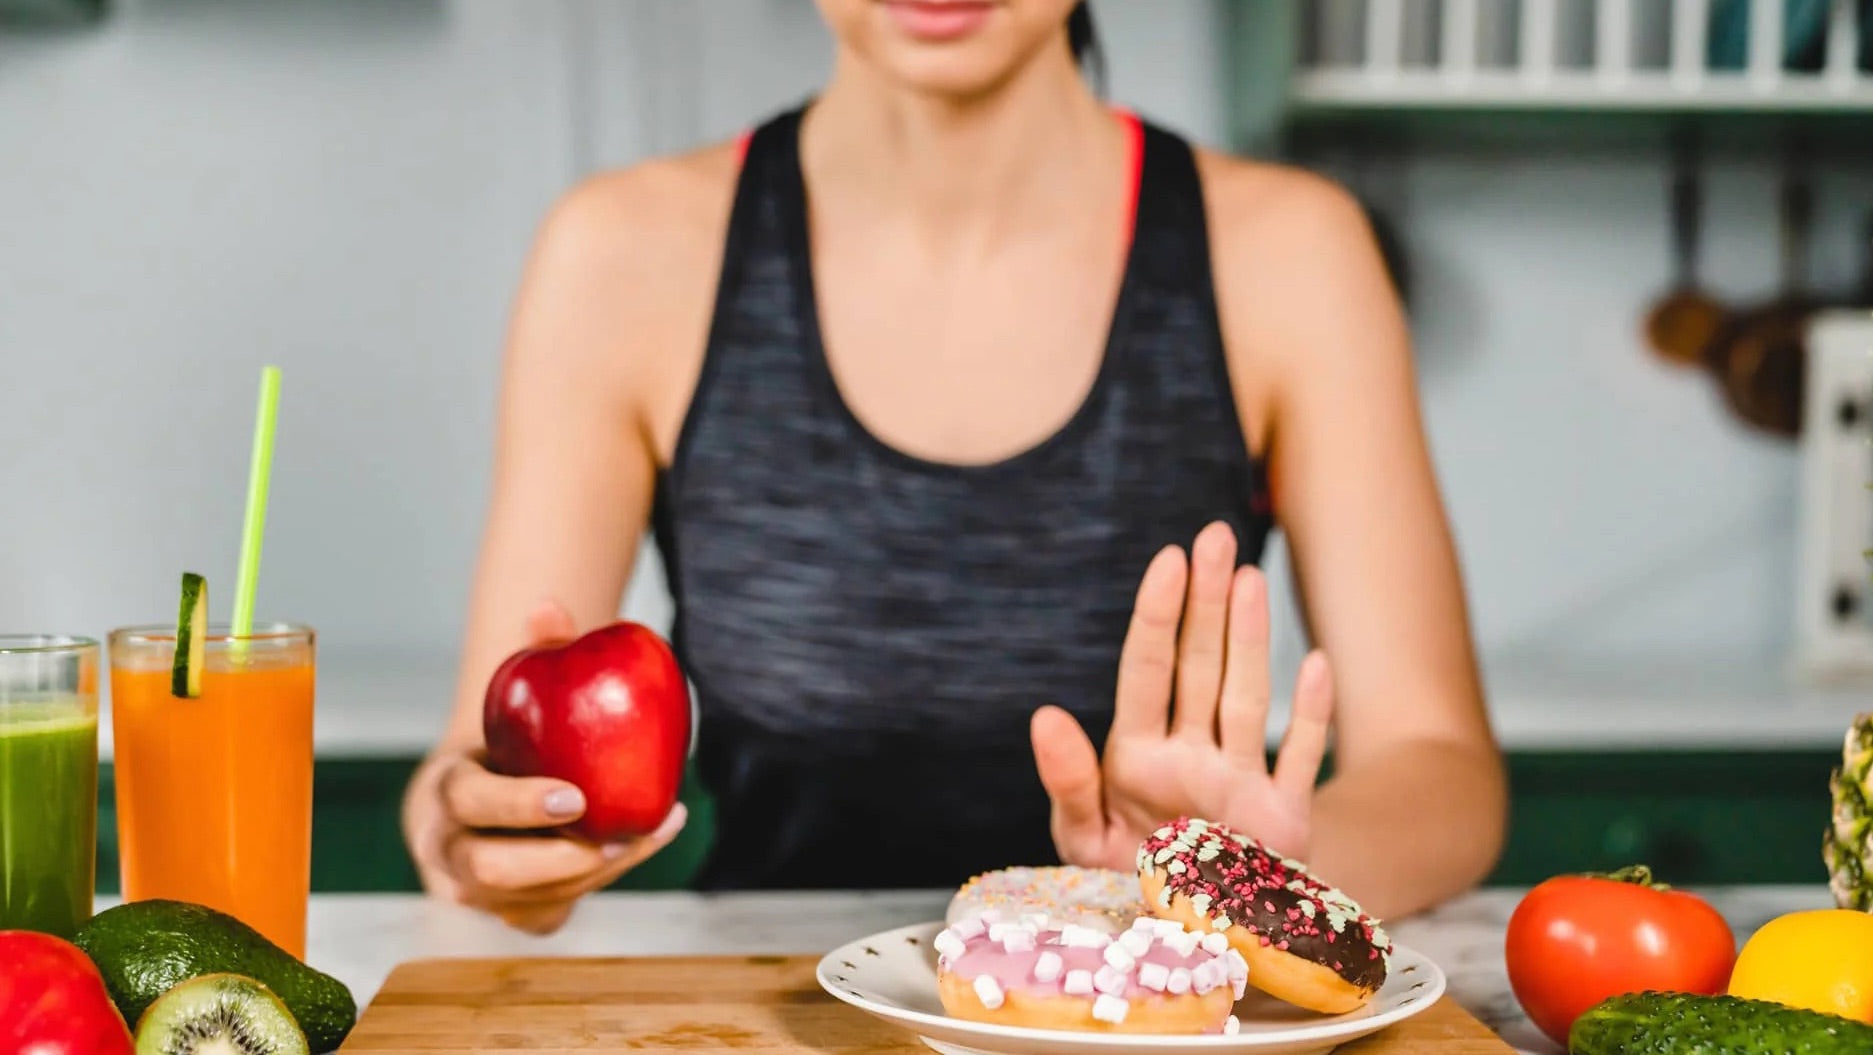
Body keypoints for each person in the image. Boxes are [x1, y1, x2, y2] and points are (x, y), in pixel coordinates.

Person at [402, 0, 1506, 936]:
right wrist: (483, 837)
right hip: (760, 1016)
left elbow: (1439, 766)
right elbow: (463, 780)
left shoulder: (1291, 250)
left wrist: (1244, 880)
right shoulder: (619, 252)